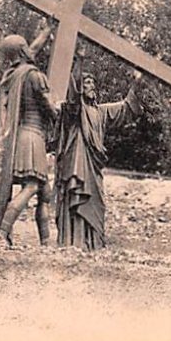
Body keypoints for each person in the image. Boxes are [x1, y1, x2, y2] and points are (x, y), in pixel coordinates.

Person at [54, 49, 142, 251]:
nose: (91, 86)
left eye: (93, 83)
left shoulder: (101, 112)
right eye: (87, 83)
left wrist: (136, 83)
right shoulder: (74, 110)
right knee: (77, 194)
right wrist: (80, 61)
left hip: (94, 165)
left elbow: (126, 107)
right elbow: (73, 94)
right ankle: (74, 242)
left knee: (97, 200)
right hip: (77, 160)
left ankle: (93, 243)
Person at [0, 28, 57, 247]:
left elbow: (34, 49)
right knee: (31, 187)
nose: (31, 49)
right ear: (21, 50)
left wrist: (47, 30)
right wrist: (62, 113)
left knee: (45, 192)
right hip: (33, 136)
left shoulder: (11, 76)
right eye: (26, 46)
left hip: (20, 136)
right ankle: (2, 233)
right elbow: (50, 108)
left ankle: (46, 242)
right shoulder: (35, 76)